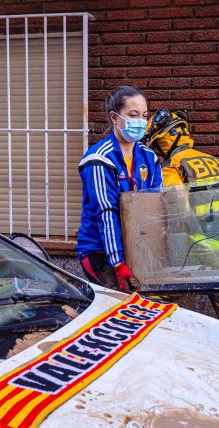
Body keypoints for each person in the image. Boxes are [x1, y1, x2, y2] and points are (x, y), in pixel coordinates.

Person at [143, 109, 219, 339]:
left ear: (164, 140)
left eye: (157, 146)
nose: (158, 152)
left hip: (203, 250)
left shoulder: (174, 168)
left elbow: (178, 218)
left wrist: (173, 265)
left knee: (152, 303)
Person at [77, 86, 161, 292]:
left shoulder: (149, 157)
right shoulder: (98, 159)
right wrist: (117, 263)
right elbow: (106, 213)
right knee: (119, 306)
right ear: (115, 118)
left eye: (144, 116)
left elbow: (157, 206)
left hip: (135, 248)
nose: (141, 121)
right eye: (133, 115)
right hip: (101, 252)